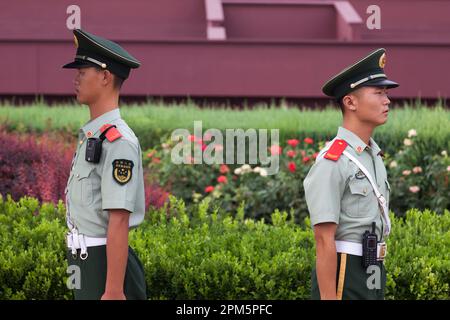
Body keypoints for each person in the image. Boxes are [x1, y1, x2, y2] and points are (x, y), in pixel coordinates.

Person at [304, 48, 399, 300]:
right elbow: (324, 240)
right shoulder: (333, 160)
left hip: (374, 266)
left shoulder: (372, 155)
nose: (386, 100)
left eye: (386, 93)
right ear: (350, 102)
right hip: (346, 270)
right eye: (378, 93)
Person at [63, 28, 147, 300]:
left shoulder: (118, 141)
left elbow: (119, 219)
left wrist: (113, 291)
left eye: (82, 72)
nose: (76, 79)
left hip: (103, 265)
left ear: (105, 76)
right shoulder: (93, 135)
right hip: (84, 260)